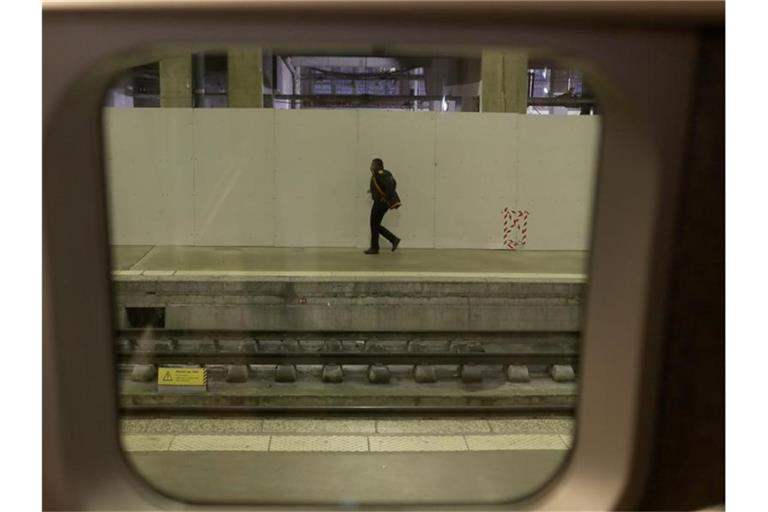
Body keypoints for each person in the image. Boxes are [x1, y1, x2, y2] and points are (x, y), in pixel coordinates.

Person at [365, 158, 401, 255]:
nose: (371, 166)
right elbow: (391, 184)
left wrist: (386, 196)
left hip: (380, 203)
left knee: (374, 224)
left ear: (377, 165)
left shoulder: (379, 173)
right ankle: (386, 242)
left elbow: (390, 185)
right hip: (381, 202)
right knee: (375, 225)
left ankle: (379, 245)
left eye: (372, 164)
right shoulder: (385, 173)